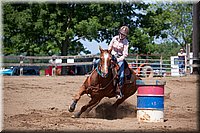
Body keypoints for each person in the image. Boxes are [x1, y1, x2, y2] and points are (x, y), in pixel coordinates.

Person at [94, 26, 129, 99]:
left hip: (120, 58)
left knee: (121, 75)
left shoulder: (126, 42)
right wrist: (108, 54)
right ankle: (93, 77)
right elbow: (110, 47)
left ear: (125, 35)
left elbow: (125, 54)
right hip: (111, 55)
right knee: (96, 62)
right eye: (121, 33)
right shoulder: (114, 38)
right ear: (119, 33)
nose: (122, 35)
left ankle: (119, 90)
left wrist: (119, 59)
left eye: (123, 34)